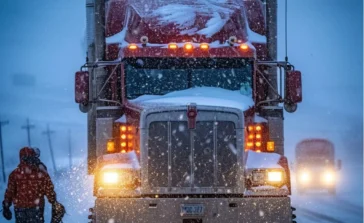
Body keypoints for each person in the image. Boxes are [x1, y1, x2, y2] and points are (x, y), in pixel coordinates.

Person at [2, 147, 65, 223]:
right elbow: (49, 189)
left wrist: (6, 205)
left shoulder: (14, 174)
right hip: (36, 209)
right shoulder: (40, 172)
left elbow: (10, 192)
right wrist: (53, 201)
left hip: (20, 210)